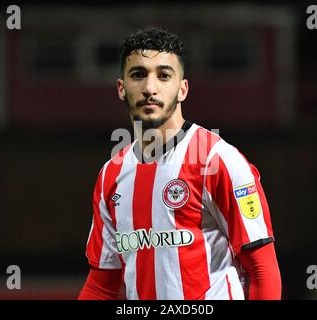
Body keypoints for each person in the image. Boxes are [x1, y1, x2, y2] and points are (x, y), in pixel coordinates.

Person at [78, 27, 281, 300]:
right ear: (121, 88)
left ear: (182, 89)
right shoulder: (109, 176)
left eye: (164, 76)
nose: (150, 88)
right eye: (138, 75)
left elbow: (262, 269)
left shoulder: (218, 160)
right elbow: (101, 285)